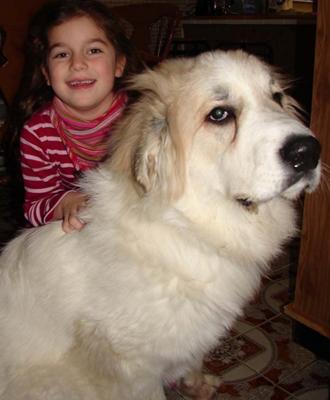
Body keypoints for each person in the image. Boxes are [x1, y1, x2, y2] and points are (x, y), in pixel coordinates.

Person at [3, 0, 142, 233]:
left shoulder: (141, 118)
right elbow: (34, 207)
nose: (77, 64)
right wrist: (65, 203)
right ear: (46, 73)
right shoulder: (37, 133)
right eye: (62, 54)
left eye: (93, 50)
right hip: (77, 234)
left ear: (119, 64)